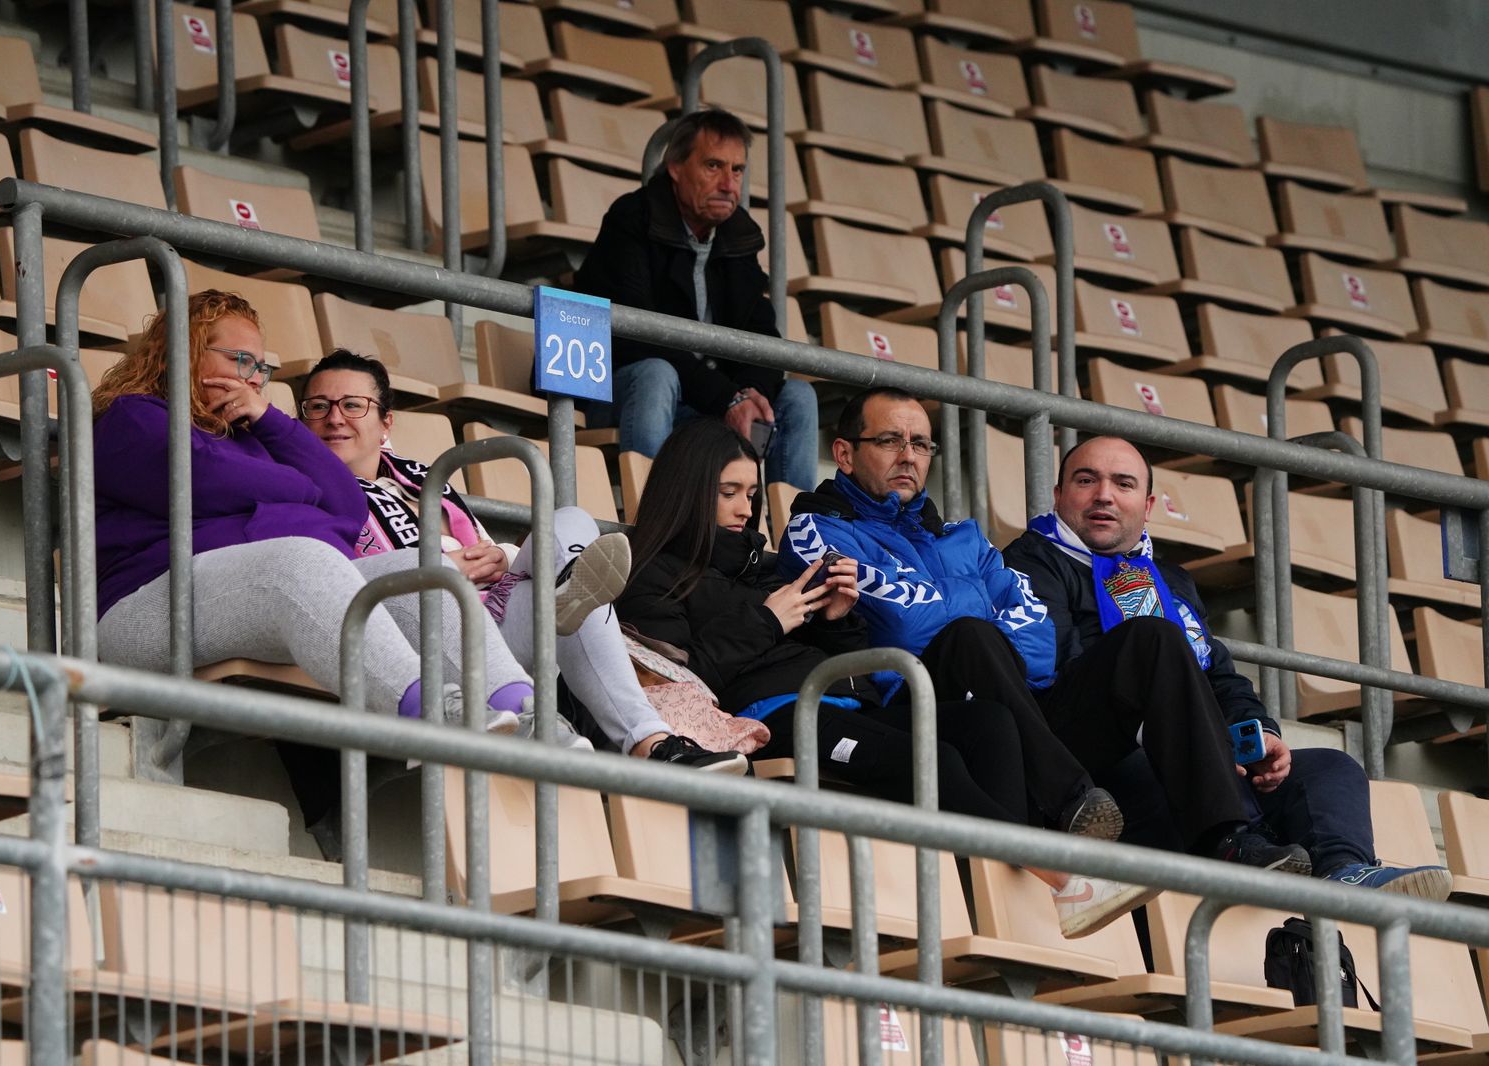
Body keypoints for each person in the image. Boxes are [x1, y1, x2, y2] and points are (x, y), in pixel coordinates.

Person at [619, 419, 1154, 939]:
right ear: (689, 491)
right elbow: (677, 683)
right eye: (728, 492)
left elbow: (853, 660)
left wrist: (839, 618)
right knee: (933, 758)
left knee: (987, 723)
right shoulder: (652, 575)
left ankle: (996, 906)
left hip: (853, 704)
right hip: (773, 715)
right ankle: (1059, 874)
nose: (744, 507)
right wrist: (767, 620)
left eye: (751, 492)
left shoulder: (766, 567)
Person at [778, 387, 1313, 873]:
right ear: (845, 453)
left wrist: (1254, 722)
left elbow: (1038, 647)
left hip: (1029, 713)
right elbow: (906, 622)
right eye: (890, 441)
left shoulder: (962, 536)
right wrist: (976, 602)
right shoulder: (815, 528)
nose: (908, 456)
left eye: (921, 444)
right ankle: (1067, 804)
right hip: (916, 708)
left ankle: (1225, 839)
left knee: (1153, 636)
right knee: (970, 635)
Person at [93, 291, 547, 853]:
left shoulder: (252, 436)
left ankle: (525, 710)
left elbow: (344, 503)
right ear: (186, 351)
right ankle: (434, 711)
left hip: (244, 600)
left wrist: (272, 430)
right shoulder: (134, 417)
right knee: (303, 557)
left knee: (423, 568)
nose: (254, 378)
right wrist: (295, 498)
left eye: (261, 367)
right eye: (240, 361)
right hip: (143, 612)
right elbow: (207, 481)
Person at [1001, 435, 1451, 899]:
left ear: (1147, 504)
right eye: (1086, 480)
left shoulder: (1169, 579)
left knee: (1330, 768)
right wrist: (1192, 738)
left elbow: (1218, 673)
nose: (1105, 495)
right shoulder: (1030, 560)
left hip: (1187, 756)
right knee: (1152, 638)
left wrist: (1255, 733)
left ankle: (1344, 873)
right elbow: (1053, 669)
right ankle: (1226, 842)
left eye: (1124, 483)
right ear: (1058, 495)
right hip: (1082, 752)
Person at [300, 349, 746, 773]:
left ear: (385, 422)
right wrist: (443, 565)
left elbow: (488, 550)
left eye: (352, 405)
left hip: (493, 619)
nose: (334, 417)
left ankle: (651, 738)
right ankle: (572, 601)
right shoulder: (301, 489)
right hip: (415, 630)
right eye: (318, 406)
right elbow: (327, 579)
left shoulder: (423, 479)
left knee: (569, 520)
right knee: (562, 595)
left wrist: (502, 555)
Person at [573, 107, 818, 491]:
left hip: (705, 401)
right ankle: (654, 520)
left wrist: (752, 394)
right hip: (616, 394)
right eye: (713, 166)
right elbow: (637, 334)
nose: (728, 183)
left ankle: (792, 533)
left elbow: (761, 334)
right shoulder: (633, 218)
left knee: (797, 397)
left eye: (737, 170)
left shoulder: (737, 236)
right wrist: (728, 398)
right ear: (675, 167)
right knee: (657, 373)